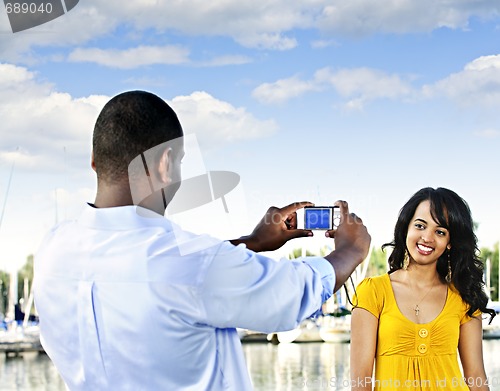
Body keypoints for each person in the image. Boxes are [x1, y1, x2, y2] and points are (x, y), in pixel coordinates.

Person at [33, 90, 371, 390]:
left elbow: (166, 278)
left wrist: (252, 242)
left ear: (95, 162)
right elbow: (292, 293)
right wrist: (351, 249)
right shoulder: (192, 264)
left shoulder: (52, 251)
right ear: (165, 164)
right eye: (179, 162)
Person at [350, 187, 496, 391]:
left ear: (450, 243)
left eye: (440, 232)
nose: (427, 237)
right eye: (420, 225)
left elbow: (476, 377)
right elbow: (360, 383)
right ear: (406, 228)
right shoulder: (372, 292)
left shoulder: (464, 297)